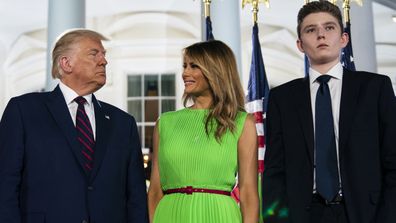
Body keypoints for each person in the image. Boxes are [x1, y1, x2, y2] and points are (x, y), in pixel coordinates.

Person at [262, 1, 396, 223]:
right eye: (311, 30)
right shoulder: (282, 98)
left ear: (344, 38)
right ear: (300, 44)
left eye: (329, 27)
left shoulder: (375, 88)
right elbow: (275, 173)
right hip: (304, 214)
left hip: (365, 213)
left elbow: (392, 161)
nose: (321, 35)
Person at [0, 29, 149, 223]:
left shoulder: (123, 123)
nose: (104, 61)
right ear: (66, 63)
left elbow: (136, 198)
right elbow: (5, 186)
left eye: (104, 55)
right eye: (94, 53)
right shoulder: (23, 110)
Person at [147, 40, 259, 223]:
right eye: (184, 66)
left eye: (194, 66)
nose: (185, 73)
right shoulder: (165, 123)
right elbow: (155, 190)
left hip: (220, 215)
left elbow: (248, 193)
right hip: (170, 215)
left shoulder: (242, 123)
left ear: (216, 70)